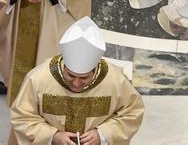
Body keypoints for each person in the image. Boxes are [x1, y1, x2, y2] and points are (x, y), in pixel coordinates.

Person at [10, 17, 145, 144]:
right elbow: (22, 117)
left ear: (94, 69)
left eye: (84, 77)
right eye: (71, 75)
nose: (76, 83)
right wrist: (53, 136)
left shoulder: (115, 80)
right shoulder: (38, 78)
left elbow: (132, 112)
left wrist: (103, 134)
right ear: (64, 66)